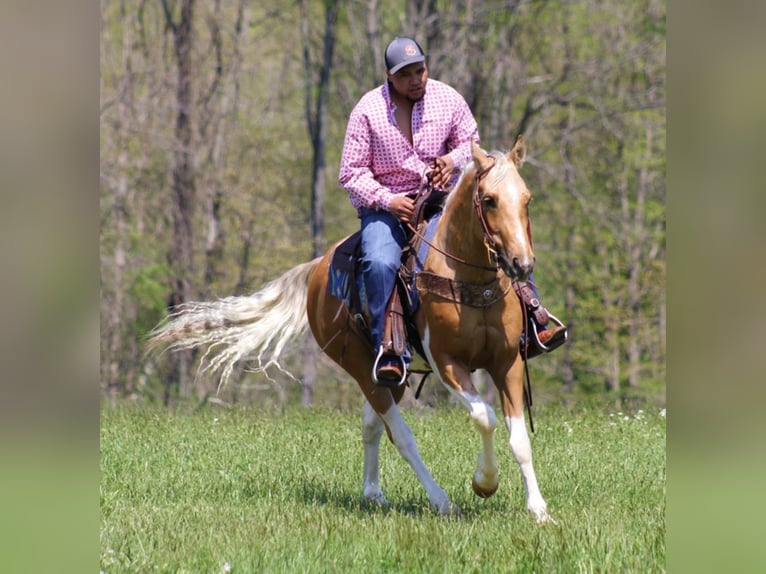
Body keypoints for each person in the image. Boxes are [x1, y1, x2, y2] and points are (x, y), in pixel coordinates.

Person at [339, 37, 565, 385]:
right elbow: (350, 173)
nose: (417, 80)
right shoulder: (367, 111)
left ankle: (533, 318)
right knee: (381, 260)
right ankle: (389, 346)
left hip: (440, 201)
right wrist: (387, 200)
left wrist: (450, 160)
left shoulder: (448, 98)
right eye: (406, 75)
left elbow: (471, 144)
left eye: (421, 70)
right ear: (389, 76)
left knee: (499, 228)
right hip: (387, 209)